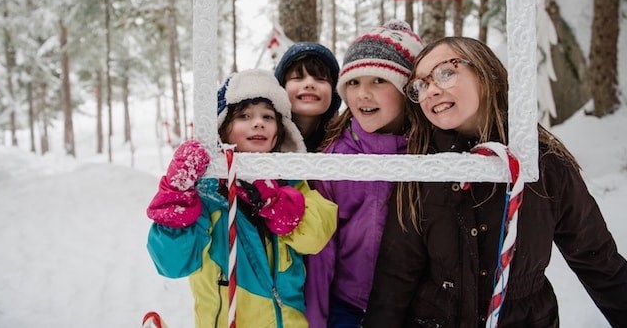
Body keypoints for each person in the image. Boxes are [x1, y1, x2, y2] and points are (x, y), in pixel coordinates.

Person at [363, 37, 627, 328]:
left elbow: (598, 260)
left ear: (483, 70)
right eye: (421, 85)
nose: (431, 90)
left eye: (445, 72)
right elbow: (396, 273)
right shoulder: (423, 167)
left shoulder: (543, 163)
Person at [146, 69, 338, 328]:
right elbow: (172, 264)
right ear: (223, 128)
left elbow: (316, 237)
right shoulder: (207, 194)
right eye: (244, 116)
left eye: (267, 117)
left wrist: (277, 203)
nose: (258, 123)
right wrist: (176, 196)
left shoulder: (291, 182)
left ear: (279, 132)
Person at [305, 20, 425, 328]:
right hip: (348, 305)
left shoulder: (428, 155)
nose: (363, 95)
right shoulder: (336, 156)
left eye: (379, 81)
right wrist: (316, 321)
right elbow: (321, 252)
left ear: (408, 90)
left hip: (414, 305)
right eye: (354, 83)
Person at [275, 42, 342, 152]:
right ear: (282, 87)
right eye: (298, 77)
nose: (310, 84)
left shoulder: (350, 139)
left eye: (321, 79)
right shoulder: (264, 136)